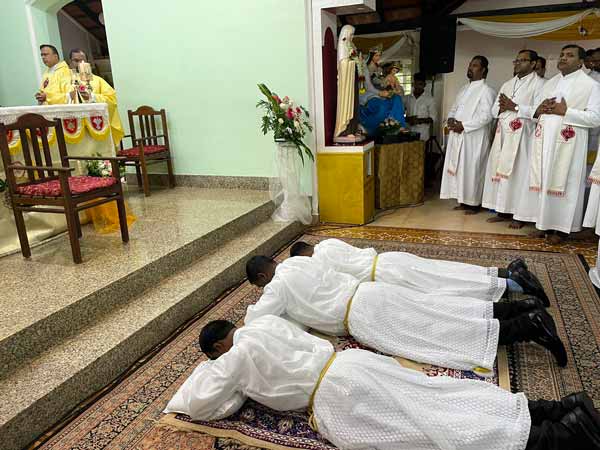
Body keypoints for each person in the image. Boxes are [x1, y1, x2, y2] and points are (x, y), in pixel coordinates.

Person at [164, 314, 600, 450]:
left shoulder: (233, 361)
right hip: (351, 364)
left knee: (428, 431)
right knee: (443, 394)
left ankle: (561, 435)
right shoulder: (264, 324)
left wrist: (209, 371)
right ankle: (559, 408)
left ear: (217, 348)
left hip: (337, 397)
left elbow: (201, 405)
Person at [244, 255, 567, 370]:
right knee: (441, 308)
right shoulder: (300, 260)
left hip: (361, 316)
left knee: (436, 333)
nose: (262, 290)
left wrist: (255, 305)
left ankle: (527, 325)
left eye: (259, 286)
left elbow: (256, 321)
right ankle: (522, 307)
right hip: (370, 291)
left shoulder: (275, 288)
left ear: (261, 278)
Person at [513, 45, 600, 244]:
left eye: (569, 55)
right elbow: (537, 109)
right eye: (561, 55)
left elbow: (595, 118)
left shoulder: (591, 85)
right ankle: (543, 224)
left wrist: (566, 112)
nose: (563, 58)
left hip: (569, 144)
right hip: (544, 141)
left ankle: (561, 229)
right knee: (544, 180)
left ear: (581, 62)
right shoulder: (551, 82)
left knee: (565, 184)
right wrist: (539, 109)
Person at [289, 238, 548, 305]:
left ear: (303, 257)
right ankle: (507, 273)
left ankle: (513, 284)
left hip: (386, 276)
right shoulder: (328, 243)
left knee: (443, 287)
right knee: (446, 271)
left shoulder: (319, 260)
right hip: (388, 259)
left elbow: (341, 282)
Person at [483, 50, 546, 229]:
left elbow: (540, 112)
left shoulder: (541, 84)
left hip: (524, 137)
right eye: (516, 60)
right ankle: (503, 210)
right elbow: (493, 111)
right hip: (503, 134)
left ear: (533, 64)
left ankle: (520, 214)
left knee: (520, 174)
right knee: (501, 172)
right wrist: (502, 108)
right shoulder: (507, 84)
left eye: (523, 60)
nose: (518, 63)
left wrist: (515, 107)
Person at [440, 56, 496, 214]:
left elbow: (487, 116)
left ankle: (474, 203)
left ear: (483, 70)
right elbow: (454, 108)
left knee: (473, 169)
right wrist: (451, 120)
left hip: (474, 138)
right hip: (458, 135)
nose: (470, 68)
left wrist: (464, 126)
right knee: (460, 169)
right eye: (470, 65)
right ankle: (463, 200)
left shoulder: (487, 91)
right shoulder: (464, 89)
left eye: (475, 65)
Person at [68, 49, 124, 145]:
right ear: (70, 62)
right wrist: (69, 96)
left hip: (97, 125)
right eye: (76, 61)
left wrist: (92, 97)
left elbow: (112, 99)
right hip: (74, 126)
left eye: (83, 61)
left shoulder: (98, 81)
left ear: (88, 62)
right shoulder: (65, 81)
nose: (80, 64)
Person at [358, 53, 406, 136]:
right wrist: (381, 92)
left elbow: (381, 84)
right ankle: (369, 128)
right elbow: (368, 86)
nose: (378, 57)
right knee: (382, 107)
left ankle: (397, 124)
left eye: (379, 55)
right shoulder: (363, 68)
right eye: (376, 55)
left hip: (379, 95)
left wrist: (391, 88)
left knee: (396, 98)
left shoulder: (378, 70)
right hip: (367, 96)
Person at [403, 72, 436, 141]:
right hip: (408, 134)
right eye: (416, 84)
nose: (417, 87)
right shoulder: (407, 98)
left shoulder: (429, 99)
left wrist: (419, 121)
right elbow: (399, 114)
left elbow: (433, 119)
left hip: (422, 136)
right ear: (413, 84)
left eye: (420, 84)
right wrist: (408, 119)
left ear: (424, 85)